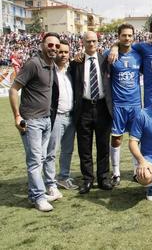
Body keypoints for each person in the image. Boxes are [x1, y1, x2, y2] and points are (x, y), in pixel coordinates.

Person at [8, 32, 61, 211]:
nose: (53, 48)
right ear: (42, 45)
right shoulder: (33, 64)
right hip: (31, 121)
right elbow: (14, 89)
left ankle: (34, 194)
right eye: (50, 45)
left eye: (56, 45)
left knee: (41, 158)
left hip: (46, 120)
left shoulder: (51, 65)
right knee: (35, 161)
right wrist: (17, 116)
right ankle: (39, 196)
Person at [69, 31, 113, 194]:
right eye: (88, 41)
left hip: (103, 108)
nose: (91, 44)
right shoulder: (76, 63)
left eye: (94, 41)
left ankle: (103, 178)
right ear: (83, 42)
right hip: (84, 108)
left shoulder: (106, 61)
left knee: (103, 146)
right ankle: (87, 179)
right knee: (84, 147)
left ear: (98, 42)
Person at [107, 24, 142, 186]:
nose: (127, 38)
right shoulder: (110, 55)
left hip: (135, 104)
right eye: (124, 35)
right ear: (118, 36)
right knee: (116, 139)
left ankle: (136, 171)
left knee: (136, 138)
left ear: (133, 36)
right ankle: (116, 172)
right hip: (118, 105)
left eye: (130, 35)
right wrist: (114, 47)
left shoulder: (138, 55)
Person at [48, 40, 78, 190]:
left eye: (66, 52)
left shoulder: (70, 71)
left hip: (71, 117)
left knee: (67, 150)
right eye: (61, 52)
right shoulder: (49, 71)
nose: (63, 55)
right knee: (51, 151)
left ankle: (64, 177)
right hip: (57, 117)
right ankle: (50, 182)